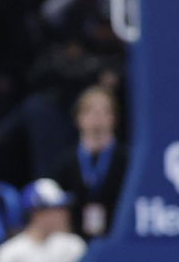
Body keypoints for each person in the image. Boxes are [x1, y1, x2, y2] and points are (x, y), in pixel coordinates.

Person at [51, 85, 127, 239]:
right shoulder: (66, 161)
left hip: (117, 237)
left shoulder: (127, 159)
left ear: (114, 118)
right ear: (79, 118)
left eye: (105, 111)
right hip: (74, 239)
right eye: (91, 111)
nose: (97, 117)